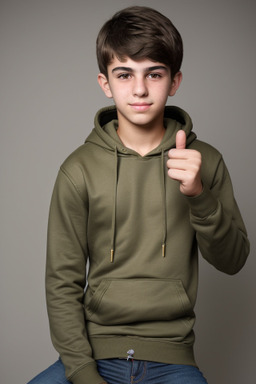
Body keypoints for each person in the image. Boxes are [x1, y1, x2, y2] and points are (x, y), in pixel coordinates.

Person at [28, 6, 250, 384]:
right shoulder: (78, 169)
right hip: (93, 355)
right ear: (105, 82)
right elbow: (60, 283)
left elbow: (233, 261)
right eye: (125, 74)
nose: (140, 89)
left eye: (155, 74)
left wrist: (198, 194)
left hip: (173, 358)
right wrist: (83, 373)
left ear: (175, 81)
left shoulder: (205, 161)